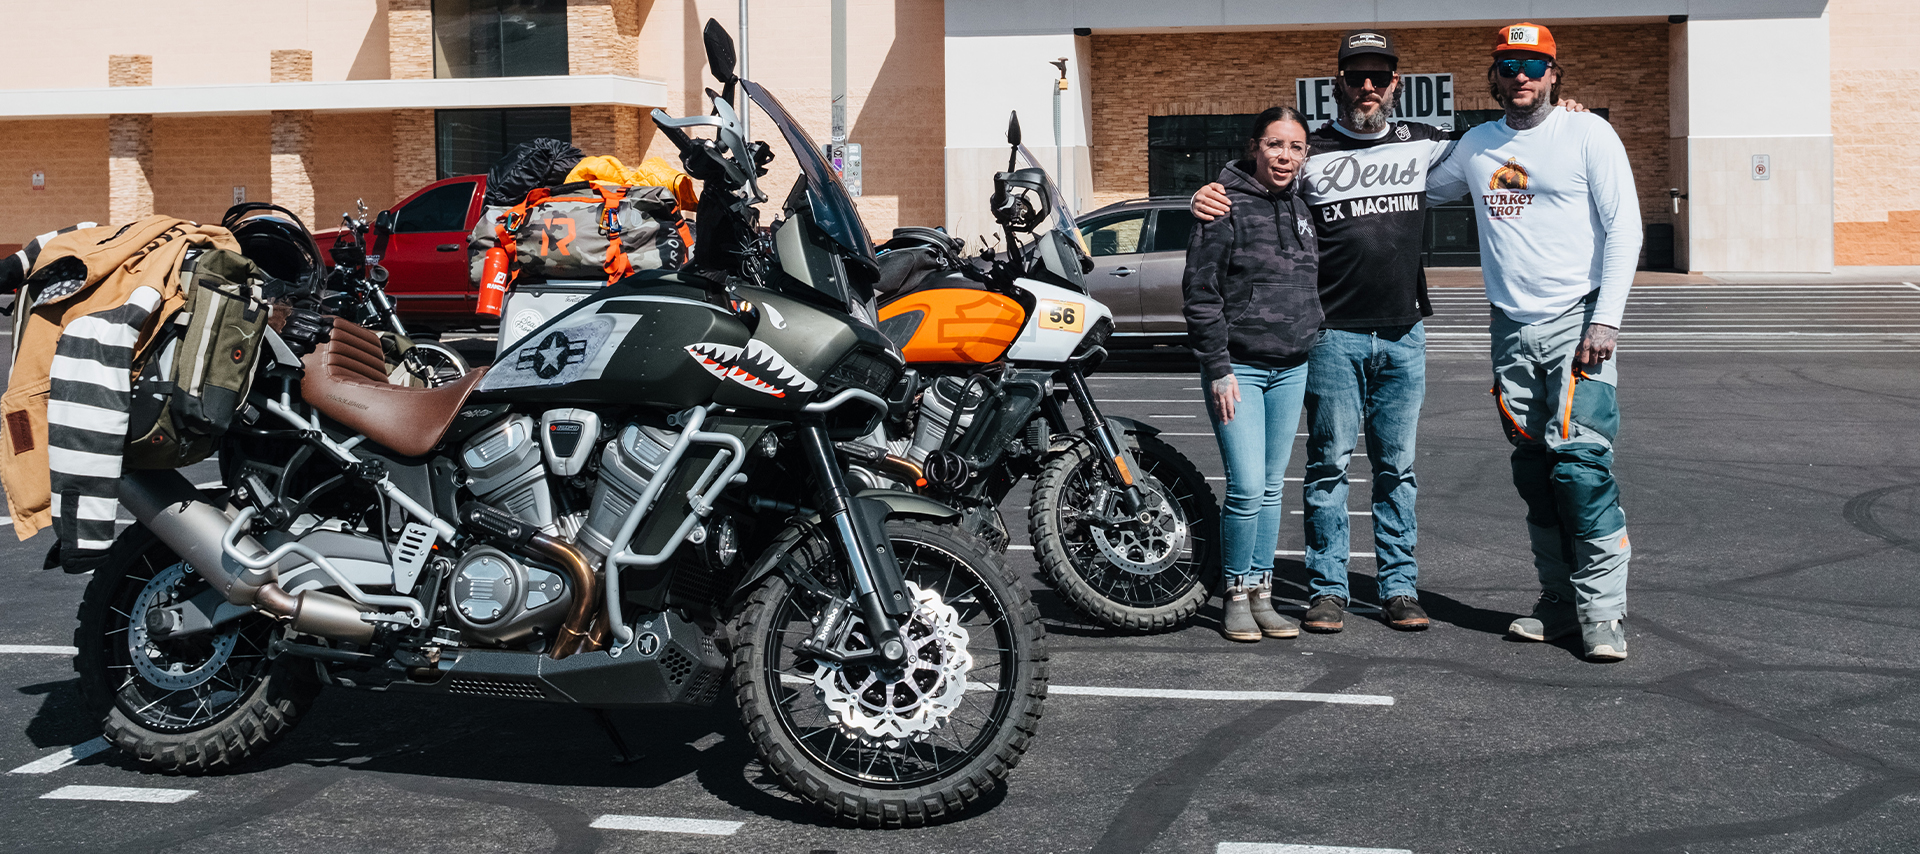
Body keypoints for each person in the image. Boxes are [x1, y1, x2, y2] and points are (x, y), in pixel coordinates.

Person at [1191, 30, 1453, 634]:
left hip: (1404, 332)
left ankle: (1398, 588)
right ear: (1338, 80)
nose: (1367, 86)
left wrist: (1561, 114)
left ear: (1395, 83)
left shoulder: (1425, 144)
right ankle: (1328, 590)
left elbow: (1501, 144)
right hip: (1331, 336)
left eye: (1379, 76)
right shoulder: (1314, 152)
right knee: (1328, 465)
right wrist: (1207, 190)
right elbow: (1253, 178)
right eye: (1356, 75)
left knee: (1398, 468)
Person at [1423, 22, 1641, 662]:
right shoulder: (1476, 147)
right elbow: (1409, 189)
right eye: (1509, 64)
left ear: (1554, 74)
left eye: (1533, 65)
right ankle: (1558, 602)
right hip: (1509, 329)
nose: (1521, 75)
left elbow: (1624, 229)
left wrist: (1608, 319)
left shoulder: (1587, 132)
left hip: (1579, 323)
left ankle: (1603, 613)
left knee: (1582, 469)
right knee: (1536, 473)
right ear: (1493, 75)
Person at [1181, 106, 1323, 643]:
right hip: (1238, 367)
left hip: (1292, 367)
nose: (1285, 156)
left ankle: (1263, 592)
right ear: (1254, 147)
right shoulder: (1221, 206)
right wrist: (1217, 368)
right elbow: (1200, 294)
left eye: (1296, 147)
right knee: (1244, 487)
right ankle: (1235, 594)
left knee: (1269, 488)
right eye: (1274, 145)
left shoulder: (1304, 205)